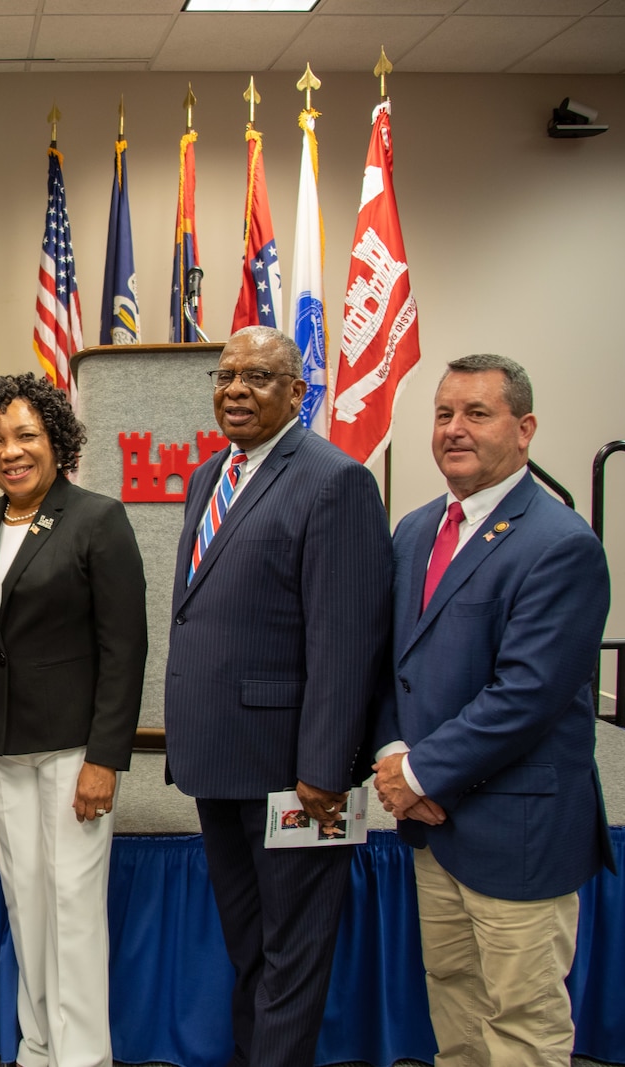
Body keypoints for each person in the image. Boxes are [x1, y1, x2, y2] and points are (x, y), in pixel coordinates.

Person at [372, 353, 613, 1067]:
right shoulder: (415, 530)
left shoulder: (561, 544)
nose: (454, 429)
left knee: (523, 1024)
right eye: (444, 414)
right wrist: (391, 755)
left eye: (477, 413)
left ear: (525, 427)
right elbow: (392, 664)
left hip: (518, 832)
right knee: (457, 1007)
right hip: (434, 829)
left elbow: (526, 696)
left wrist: (418, 777)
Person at [164, 325, 392, 1067]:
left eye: (258, 377)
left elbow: (345, 637)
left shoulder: (336, 479)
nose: (235, 389)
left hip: (295, 776)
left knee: (293, 954)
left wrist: (326, 767)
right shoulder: (210, 475)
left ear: (298, 392)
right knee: (251, 944)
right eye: (225, 375)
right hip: (217, 761)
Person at [0, 372, 147, 1067]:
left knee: (73, 906)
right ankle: (38, 1049)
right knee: (26, 904)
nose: (11, 451)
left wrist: (105, 758)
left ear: (56, 438)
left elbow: (125, 647)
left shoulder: (97, 518)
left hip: (73, 751)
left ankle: (84, 1056)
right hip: (1, 747)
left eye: (26, 434)